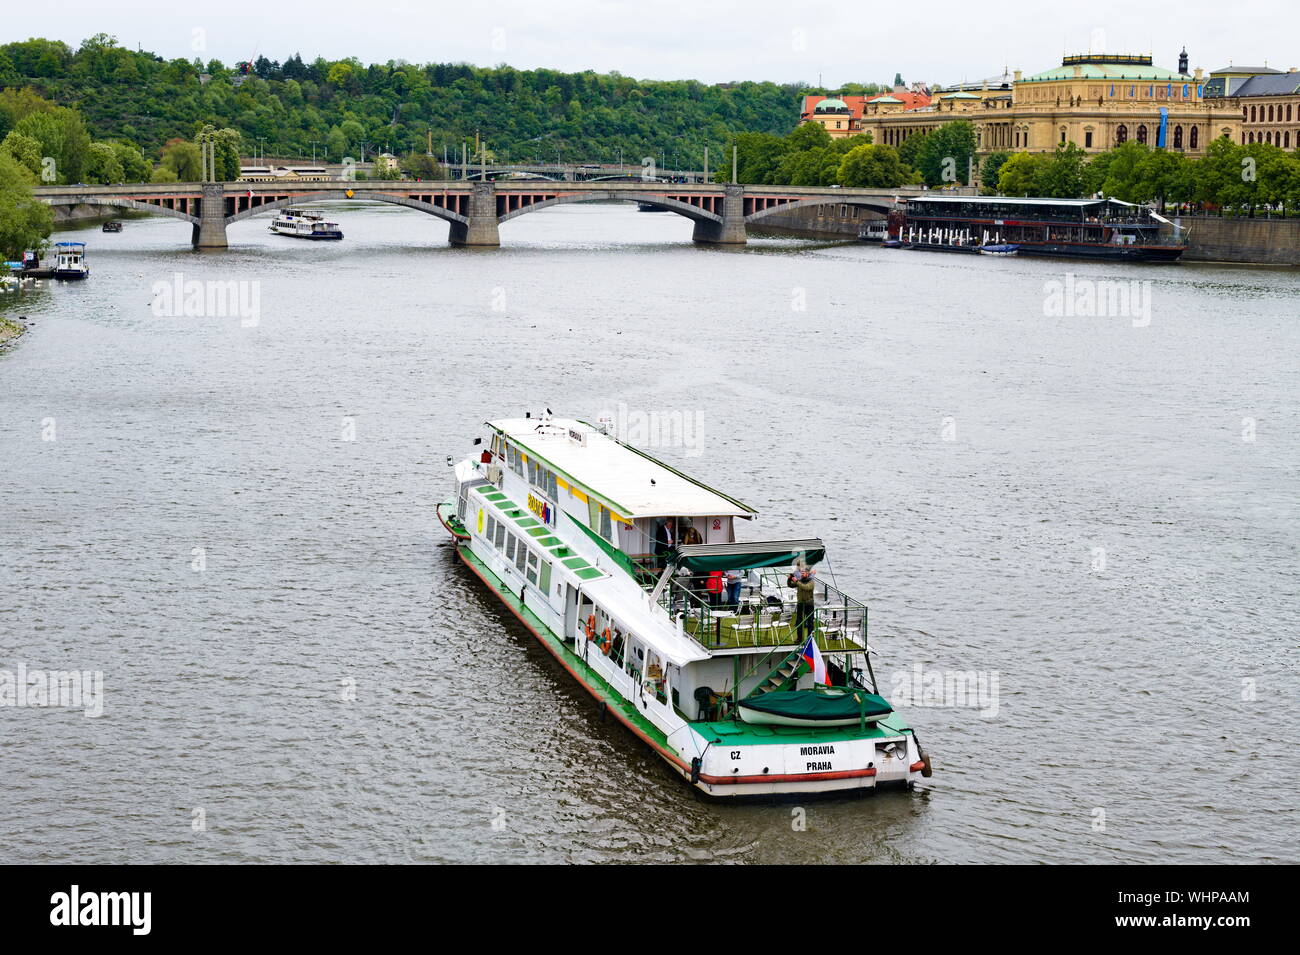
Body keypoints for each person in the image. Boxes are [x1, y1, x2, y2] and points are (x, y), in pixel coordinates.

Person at [787, 565, 816, 642]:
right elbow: (790, 585)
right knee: (799, 622)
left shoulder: (811, 582)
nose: (802, 574)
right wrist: (789, 579)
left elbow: (806, 587)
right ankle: (799, 638)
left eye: (803, 573)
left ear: (807, 573)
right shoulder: (800, 580)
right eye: (801, 573)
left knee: (810, 622)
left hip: (809, 604)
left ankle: (810, 639)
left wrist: (796, 581)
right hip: (800, 603)